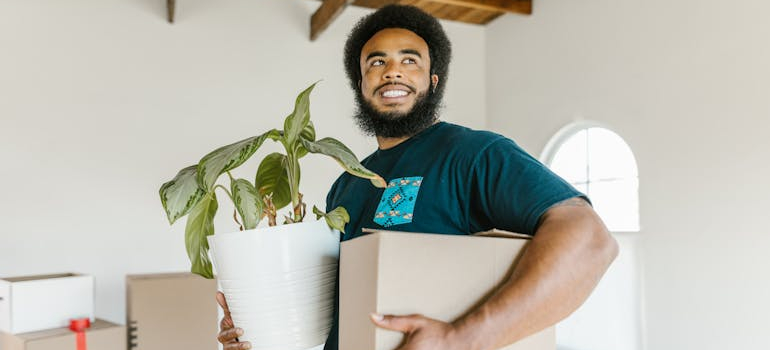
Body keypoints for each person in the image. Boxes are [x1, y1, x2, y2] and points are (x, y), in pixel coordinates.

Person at [217, 5, 617, 350]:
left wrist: (460, 340)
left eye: (410, 60)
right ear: (361, 85)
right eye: (377, 62)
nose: (393, 72)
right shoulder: (348, 183)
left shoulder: (472, 153)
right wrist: (263, 327)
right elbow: (335, 312)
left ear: (433, 81)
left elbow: (590, 241)